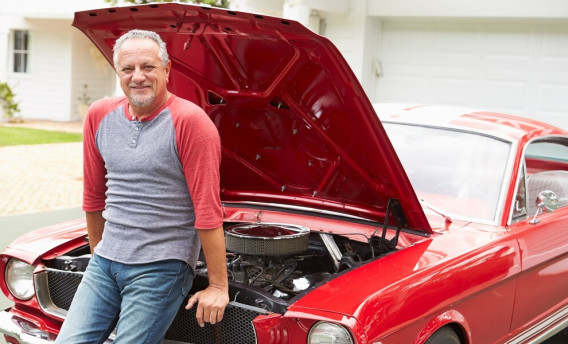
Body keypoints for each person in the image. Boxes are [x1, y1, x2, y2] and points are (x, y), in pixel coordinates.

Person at [55, 29, 229, 343]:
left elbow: (207, 210)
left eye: (148, 67)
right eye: (128, 69)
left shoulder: (190, 122)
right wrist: (98, 256)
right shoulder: (99, 115)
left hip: (160, 267)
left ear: (167, 69)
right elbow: (94, 196)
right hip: (105, 263)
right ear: (117, 73)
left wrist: (218, 285)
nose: (138, 77)